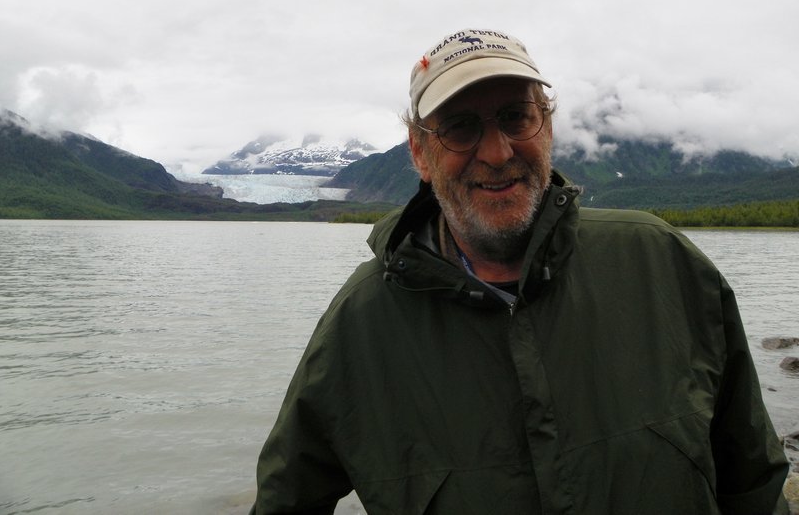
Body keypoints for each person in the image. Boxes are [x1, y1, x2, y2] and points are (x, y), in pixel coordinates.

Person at [251, 28, 789, 514]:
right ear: (419, 151)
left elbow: (755, 485)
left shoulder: (663, 264)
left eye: (516, 116)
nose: (496, 151)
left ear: (547, 124)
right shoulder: (361, 324)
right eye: (460, 128)